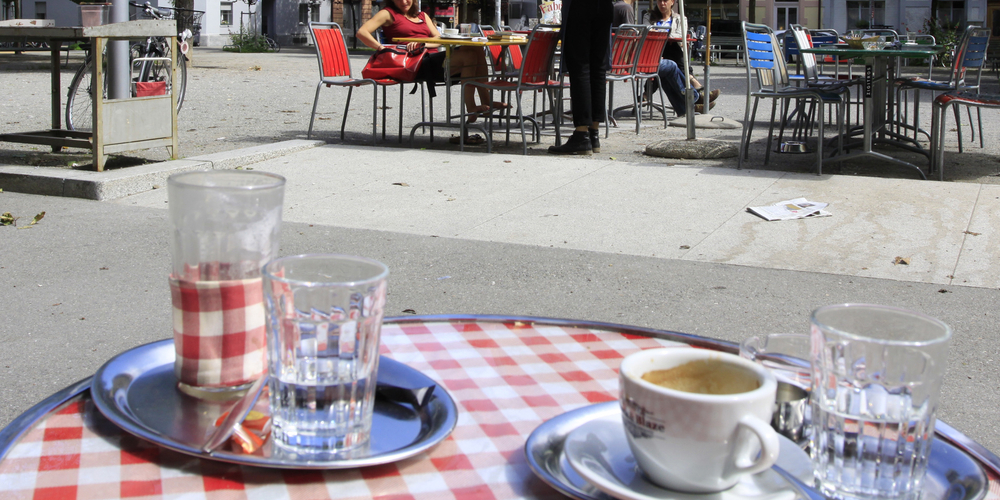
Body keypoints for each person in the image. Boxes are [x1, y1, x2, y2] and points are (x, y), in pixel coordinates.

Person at [357, 0, 505, 122]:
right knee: (469, 56)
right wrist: (382, 48)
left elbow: (438, 39)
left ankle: (487, 101)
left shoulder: (422, 16)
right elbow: (362, 32)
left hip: (432, 58)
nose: (404, 2)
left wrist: (424, 44)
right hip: (415, 64)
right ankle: (471, 107)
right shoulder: (388, 13)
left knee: (476, 50)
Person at [548, 0, 614, 155]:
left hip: (580, 6)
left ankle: (582, 134)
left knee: (580, 67)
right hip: (604, 7)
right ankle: (593, 134)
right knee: (598, 69)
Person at [648, 0, 720, 116]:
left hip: (669, 53)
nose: (662, 3)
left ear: (672, 2)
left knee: (672, 56)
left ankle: (686, 108)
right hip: (653, 55)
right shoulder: (649, 16)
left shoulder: (680, 18)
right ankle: (696, 95)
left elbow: (680, 35)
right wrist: (667, 35)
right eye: (659, 0)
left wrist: (661, 34)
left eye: (665, 0)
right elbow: (647, 32)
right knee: (672, 63)